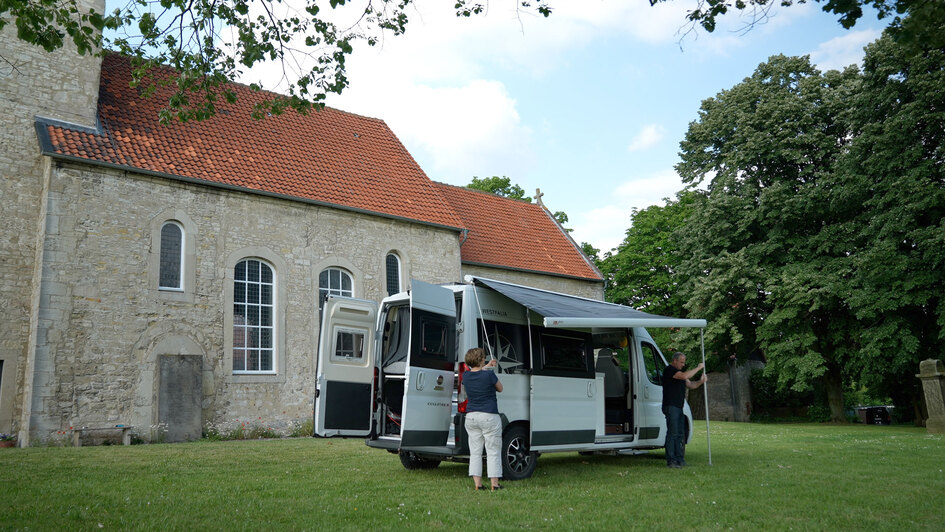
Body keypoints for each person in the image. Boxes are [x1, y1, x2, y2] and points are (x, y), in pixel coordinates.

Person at [462, 347, 504, 491]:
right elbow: (500, 388)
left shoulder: (466, 376)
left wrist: (486, 367)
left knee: (475, 451)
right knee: (492, 450)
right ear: (480, 359)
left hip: (471, 417)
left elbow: (476, 372)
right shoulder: (489, 375)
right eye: (484, 358)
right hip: (489, 416)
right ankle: (495, 484)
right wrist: (488, 368)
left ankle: (478, 485)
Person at [662, 351, 707, 469]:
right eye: (681, 362)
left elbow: (691, 385)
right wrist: (698, 368)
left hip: (679, 407)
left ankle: (680, 459)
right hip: (671, 406)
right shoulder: (669, 370)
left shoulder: (680, 374)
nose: (683, 364)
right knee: (673, 433)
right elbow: (684, 376)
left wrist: (701, 382)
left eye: (684, 362)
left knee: (680, 434)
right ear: (675, 361)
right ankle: (671, 461)